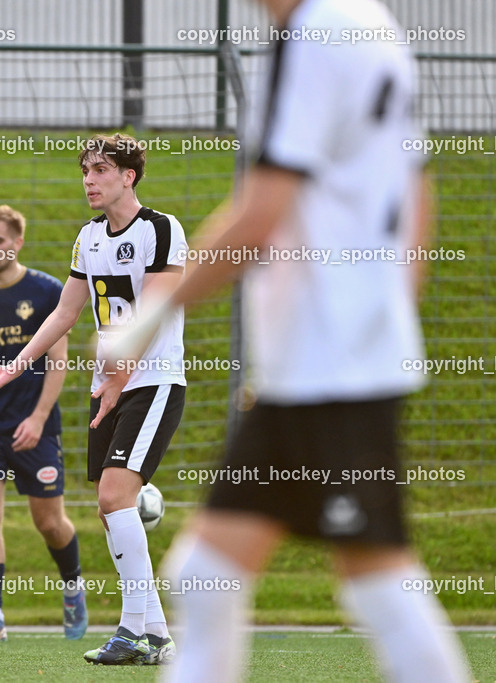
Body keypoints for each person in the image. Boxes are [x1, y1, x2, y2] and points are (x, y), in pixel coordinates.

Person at [107, 1, 473, 681]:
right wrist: (384, 323)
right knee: (206, 572)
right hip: (321, 361)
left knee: (377, 575)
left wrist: (146, 319)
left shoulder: (314, 33)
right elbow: (418, 192)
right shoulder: (370, 24)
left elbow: (260, 214)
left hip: (331, 366)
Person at [0, 133, 188, 665]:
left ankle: (133, 630)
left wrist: (120, 378)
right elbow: (65, 313)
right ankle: (155, 635)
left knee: (116, 496)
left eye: (100, 170)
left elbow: (153, 314)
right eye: (85, 170)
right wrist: (13, 368)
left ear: (128, 176)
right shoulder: (88, 237)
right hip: (107, 385)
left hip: (152, 381)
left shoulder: (161, 229)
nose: (88, 179)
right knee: (110, 507)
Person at [0, 205, 87, 642]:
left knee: (49, 522)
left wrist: (39, 418)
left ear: (18, 242)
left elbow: (59, 362)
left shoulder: (47, 292)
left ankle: (73, 586)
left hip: (34, 421)